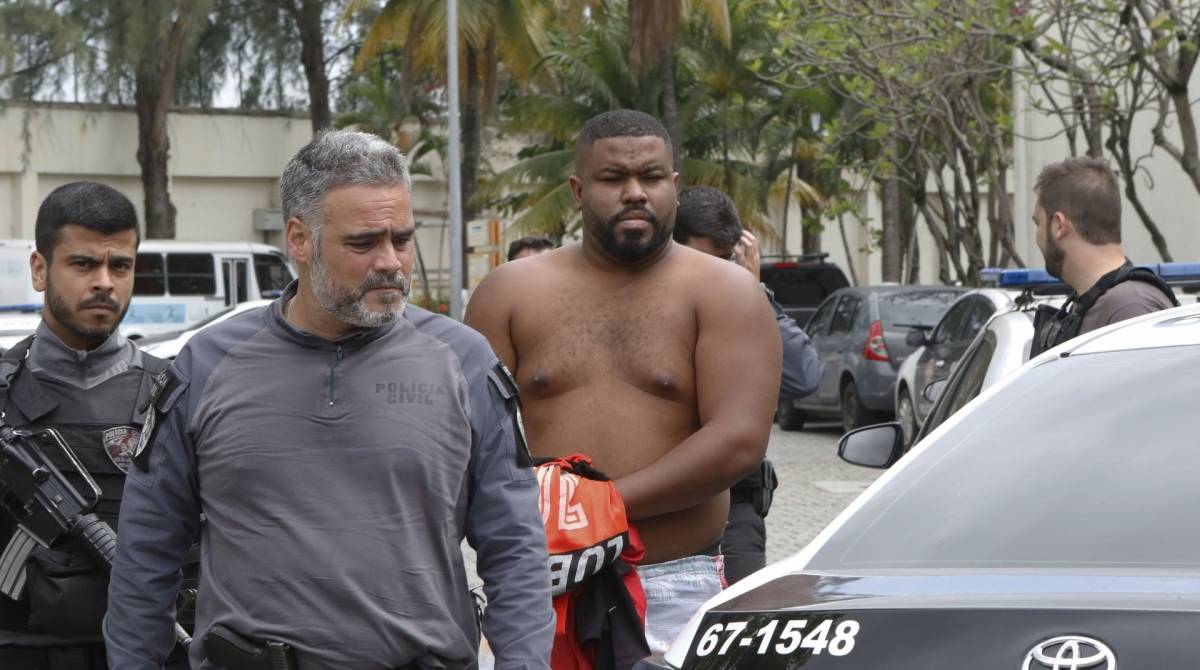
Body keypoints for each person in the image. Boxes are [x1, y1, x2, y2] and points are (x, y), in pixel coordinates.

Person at [103, 130, 555, 669]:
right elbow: (146, 552)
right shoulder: (205, 366)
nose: (390, 262)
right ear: (299, 239)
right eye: (363, 244)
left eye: (402, 239)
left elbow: (516, 549)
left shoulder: (465, 361)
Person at [465, 110, 782, 653]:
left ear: (674, 185)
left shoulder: (727, 292)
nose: (634, 192)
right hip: (541, 585)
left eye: (651, 177)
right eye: (613, 178)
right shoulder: (508, 293)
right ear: (578, 190)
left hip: (674, 586)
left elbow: (738, 441)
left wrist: (599, 507)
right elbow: (473, 441)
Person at [0, 181, 186, 669]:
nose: (104, 282)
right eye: (83, 264)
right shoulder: (4, 392)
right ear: (40, 269)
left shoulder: (175, 393)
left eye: (120, 265)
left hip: (144, 652)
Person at [672, 186, 823, 584]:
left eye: (726, 260)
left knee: (736, 617)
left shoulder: (747, 304)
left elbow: (804, 377)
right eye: (707, 262)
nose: (717, 274)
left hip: (735, 508)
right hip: (666, 509)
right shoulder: (652, 305)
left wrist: (753, 294)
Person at [1030, 157, 1177, 356]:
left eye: (1037, 223)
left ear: (1058, 225)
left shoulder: (1131, 308)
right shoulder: (1100, 304)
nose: (1037, 236)